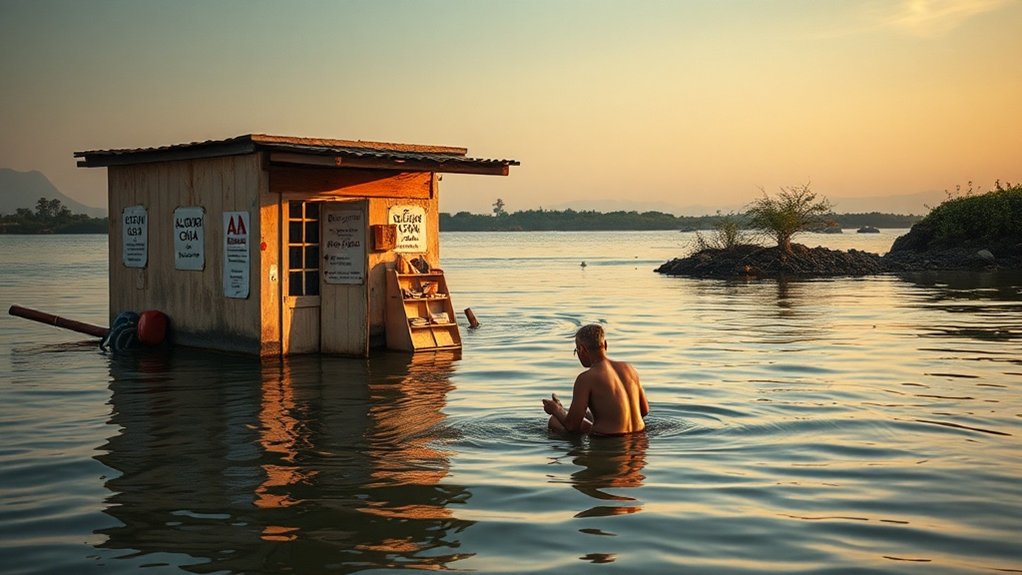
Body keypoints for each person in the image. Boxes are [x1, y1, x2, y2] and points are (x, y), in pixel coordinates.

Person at [543, 324, 649, 436]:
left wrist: (556, 410)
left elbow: (572, 426)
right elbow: (644, 410)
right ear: (605, 345)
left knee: (555, 421)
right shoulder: (629, 368)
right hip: (639, 436)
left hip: (608, 440)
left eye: (576, 350)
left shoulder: (586, 378)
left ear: (582, 349)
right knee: (587, 414)